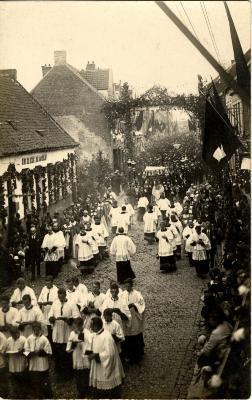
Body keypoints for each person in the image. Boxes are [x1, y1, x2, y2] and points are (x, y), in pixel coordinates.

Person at [88, 317, 125, 398]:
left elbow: (110, 354)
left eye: (91, 326)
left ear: (96, 326)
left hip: (107, 368)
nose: (90, 327)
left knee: (108, 391)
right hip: (98, 366)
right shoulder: (95, 334)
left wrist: (96, 355)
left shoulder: (107, 337)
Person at [48, 287, 80, 380]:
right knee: (58, 354)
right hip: (57, 333)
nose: (60, 297)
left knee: (67, 354)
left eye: (62, 295)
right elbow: (50, 315)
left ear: (65, 295)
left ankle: (68, 374)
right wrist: (52, 319)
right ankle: (59, 373)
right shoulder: (55, 303)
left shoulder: (72, 304)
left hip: (67, 333)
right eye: (59, 295)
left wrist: (67, 319)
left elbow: (77, 318)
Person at [25, 321, 53, 399]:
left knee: (44, 382)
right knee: (35, 382)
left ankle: (47, 396)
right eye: (34, 329)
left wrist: (41, 352)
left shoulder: (44, 339)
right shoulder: (29, 338)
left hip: (42, 365)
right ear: (32, 329)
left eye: (37, 328)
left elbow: (49, 352)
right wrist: (30, 353)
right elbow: (25, 351)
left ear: (40, 329)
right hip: (33, 365)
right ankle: (37, 396)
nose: (36, 330)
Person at [66, 317, 93, 398]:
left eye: (77, 326)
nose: (75, 328)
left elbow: (90, 342)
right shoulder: (72, 333)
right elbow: (68, 348)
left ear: (81, 325)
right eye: (74, 326)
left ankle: (88, 390)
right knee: (78, 375)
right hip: (77, 356)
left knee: (86, 374)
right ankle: (81, 392)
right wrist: (73, 345)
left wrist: (80, 334)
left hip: (85, 357)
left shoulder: (87, 332)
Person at [122, 279, 145, 363]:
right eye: (126, 286)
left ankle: (138, 354)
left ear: (132, 285)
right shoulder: (123, 294)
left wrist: (134, 305)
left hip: (135, 317)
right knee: (128, 335)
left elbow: (141, 304)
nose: (127, 288)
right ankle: (130, 354)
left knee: (136, 334)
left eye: (129, 286)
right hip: (127, 318)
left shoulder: (137, 294)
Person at [6, 326, 27, 399]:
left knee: (21, 380)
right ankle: (15, 394)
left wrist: (23, 351)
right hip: (12, 363)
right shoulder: (8, 340)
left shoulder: (23, 339)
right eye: (12, 335)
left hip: (21, 363)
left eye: (15, 334)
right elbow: (6, 350)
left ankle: (22, 395)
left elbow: (28, 352)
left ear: (18, 332)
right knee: (13, 379)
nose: (14, 336)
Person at [38, 276, 58, 343]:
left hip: (53, 313)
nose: (47, 283)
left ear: (52, 282)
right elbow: (40, 299)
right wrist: (42, 303)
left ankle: (53, 345)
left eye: (49, 281)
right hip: (45, 311)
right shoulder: (44, 289)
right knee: (46, 329)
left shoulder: (56, 290)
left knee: (52, 330)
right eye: (46, 281)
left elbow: (57, 302)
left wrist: (49, 302)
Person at [0, 331, 8, 398]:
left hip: (1, 361)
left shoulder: (2, 336)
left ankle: (4, 395)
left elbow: (2, 349)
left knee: (2, 379)